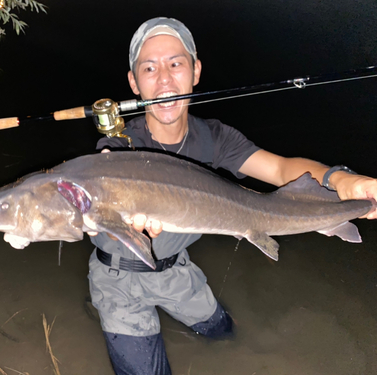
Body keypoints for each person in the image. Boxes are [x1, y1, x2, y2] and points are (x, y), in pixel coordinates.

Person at [84, 17, 377, 375]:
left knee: (225, 335)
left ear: (195, 71)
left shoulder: (217, 138)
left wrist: (340, 179)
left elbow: (284, 170)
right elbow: (98, 177)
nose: (164, 79)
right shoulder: (119, 148)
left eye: (176, 64)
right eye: (149, 68)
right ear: (134, 82)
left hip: (177, 270)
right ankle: (97, 305)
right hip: (118, 282)